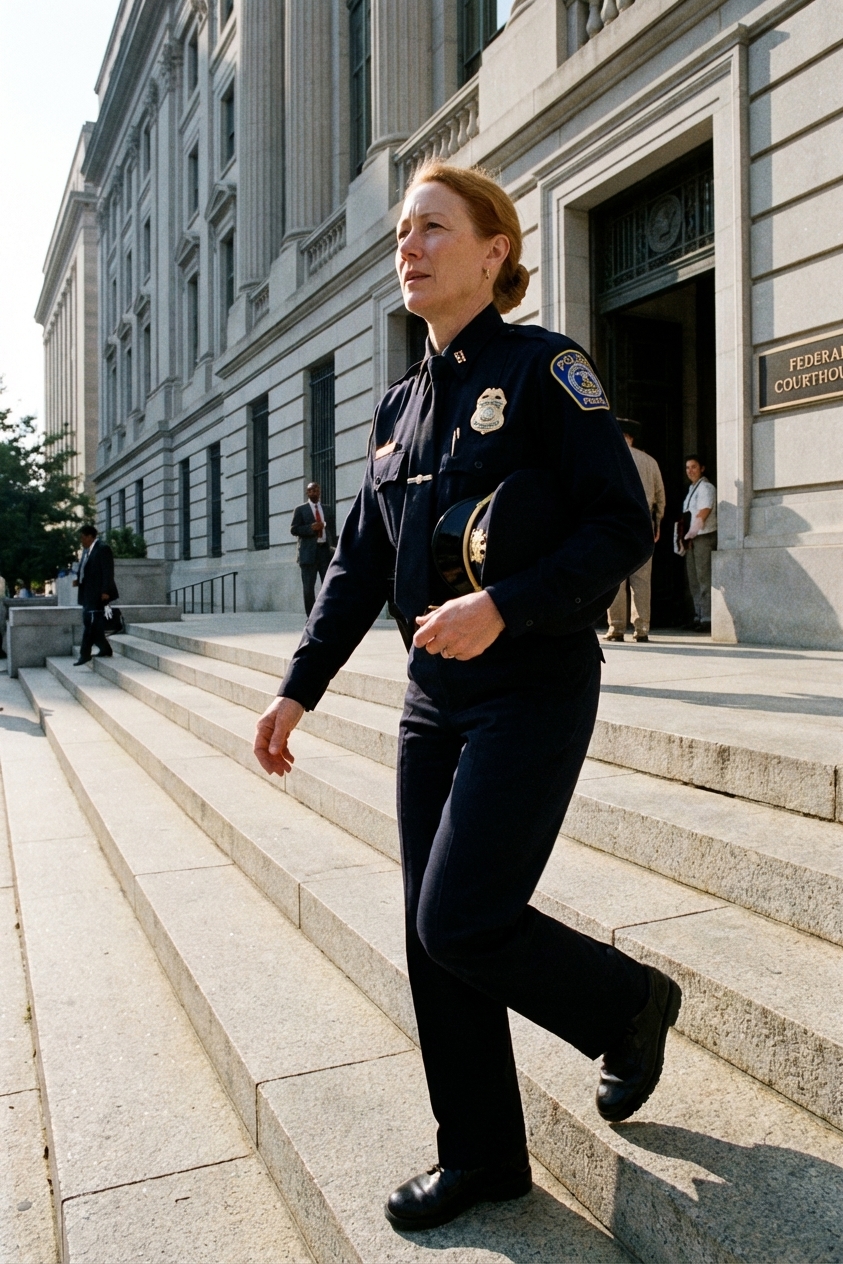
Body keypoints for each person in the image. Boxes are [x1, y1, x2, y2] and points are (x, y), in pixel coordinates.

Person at [254, 162, 681, 1233]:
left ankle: (629, 1006)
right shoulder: (397, 408)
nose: (410, 246)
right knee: (428, 932)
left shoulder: (546, 373)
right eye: (404, 231)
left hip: (531, 684)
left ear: (495, 251)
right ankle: (484, 1155)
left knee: (463, 916)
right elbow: (358, 565)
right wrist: (296, 690)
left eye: (433, 228)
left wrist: (508, 604)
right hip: (432, 699)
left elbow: (623, 525)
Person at [604, 419, 665, 643]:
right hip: (642, 523)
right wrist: (656, 524)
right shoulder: (650, 461)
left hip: (615, 521)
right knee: (641, 579)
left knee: (617, 578)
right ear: (632, 437)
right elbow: (660, 497)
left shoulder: (611, 458)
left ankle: (616, 627)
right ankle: (642, 628)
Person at [72, 524, 118, 665]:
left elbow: (107, 572)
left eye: (83, 537)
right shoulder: (86, 551)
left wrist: (105, 591)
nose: (81, 540)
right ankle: (105, 648)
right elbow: (86, 570)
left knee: (90, 624)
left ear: (90, 536)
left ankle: (84, 654)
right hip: (87, 593)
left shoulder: (103, 549)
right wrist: (79, 580)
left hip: (98, 594)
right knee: (92, 623)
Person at [290, 481, 335, 616]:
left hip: (324, 553)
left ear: (319, 492)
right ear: (307, 493)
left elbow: (332, 530)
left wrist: (335, 548)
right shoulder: (300, 510)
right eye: (310, 490)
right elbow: (294, 529)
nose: (313, 492)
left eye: (316, 490)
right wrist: (310, 528)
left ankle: (326, 614)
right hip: (308, 554)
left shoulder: (327, 509)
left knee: (328, 586)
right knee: (308, 588)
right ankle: (311, 617)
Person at [682, 455, 716, 633]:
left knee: (704, 579)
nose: (690, 471)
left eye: (693, 467)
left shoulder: (706, 487)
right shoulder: (692, 489)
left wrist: (692, 532)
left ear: (702, 468)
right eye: (687, 468)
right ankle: (698, 615)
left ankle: (707, 618)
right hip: (691, 538)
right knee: (694, 580)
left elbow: (704, 510)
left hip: (702, 536)